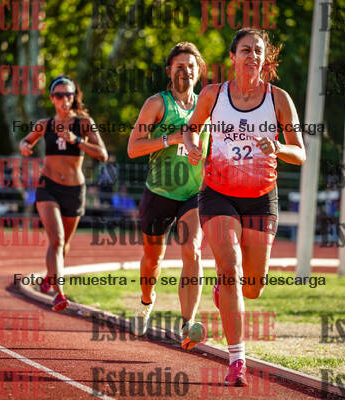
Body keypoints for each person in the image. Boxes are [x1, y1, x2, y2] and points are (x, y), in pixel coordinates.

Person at [184, 28, 305, 386]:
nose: (252, 56)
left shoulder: (278, 99)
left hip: (261, 197)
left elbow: (300, 152)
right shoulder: (213, 94)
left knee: (252, 287)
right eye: (245, 50)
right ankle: (237, 361)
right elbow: (192, 128)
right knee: (229, 267)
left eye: (258, 51)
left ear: (265, 59)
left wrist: (278, 147)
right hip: (217, 193)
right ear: (233, 57)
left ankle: (224, 293)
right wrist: (193, 145)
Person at [127, 42, 210, 349]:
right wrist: (170, 139)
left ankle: (188, 324)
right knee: (153, 258)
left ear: (199, 70)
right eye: (179, 67)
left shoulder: (207, 105)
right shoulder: (157, 104)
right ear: (169, 71)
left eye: (191, 66)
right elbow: (133, 148)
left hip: (193, 193)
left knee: (193, 250)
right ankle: (146, 301)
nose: (185, 71)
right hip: (159, 192)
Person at [19, 75, 108, 311]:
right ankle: (59, 293)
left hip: (74, 190)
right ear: (52, 98)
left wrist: (77, 140)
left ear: (74, 97)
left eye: (68, 95)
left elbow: (102, 154)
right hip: (48, 187)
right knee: (57, 240)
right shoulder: (44, 124)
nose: (64, 99)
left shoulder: (85, 123)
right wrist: (24, 147)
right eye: (59, 95)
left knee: (64, 243)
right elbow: (25, 141)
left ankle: (50, 276)